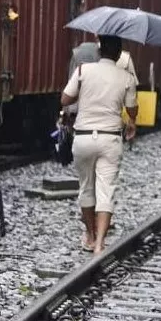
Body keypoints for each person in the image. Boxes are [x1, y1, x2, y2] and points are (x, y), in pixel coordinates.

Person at [61, 35, 138, 255]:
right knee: (106, 191)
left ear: (99, 51)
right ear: (118, 54)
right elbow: (131, 108)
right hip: (110, 138)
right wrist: (131, 122)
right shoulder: (126, 77)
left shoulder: (83, 71)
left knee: (86, 189)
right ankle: (100, 243)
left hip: (84, 137)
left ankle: (90, 235)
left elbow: (65, 100)